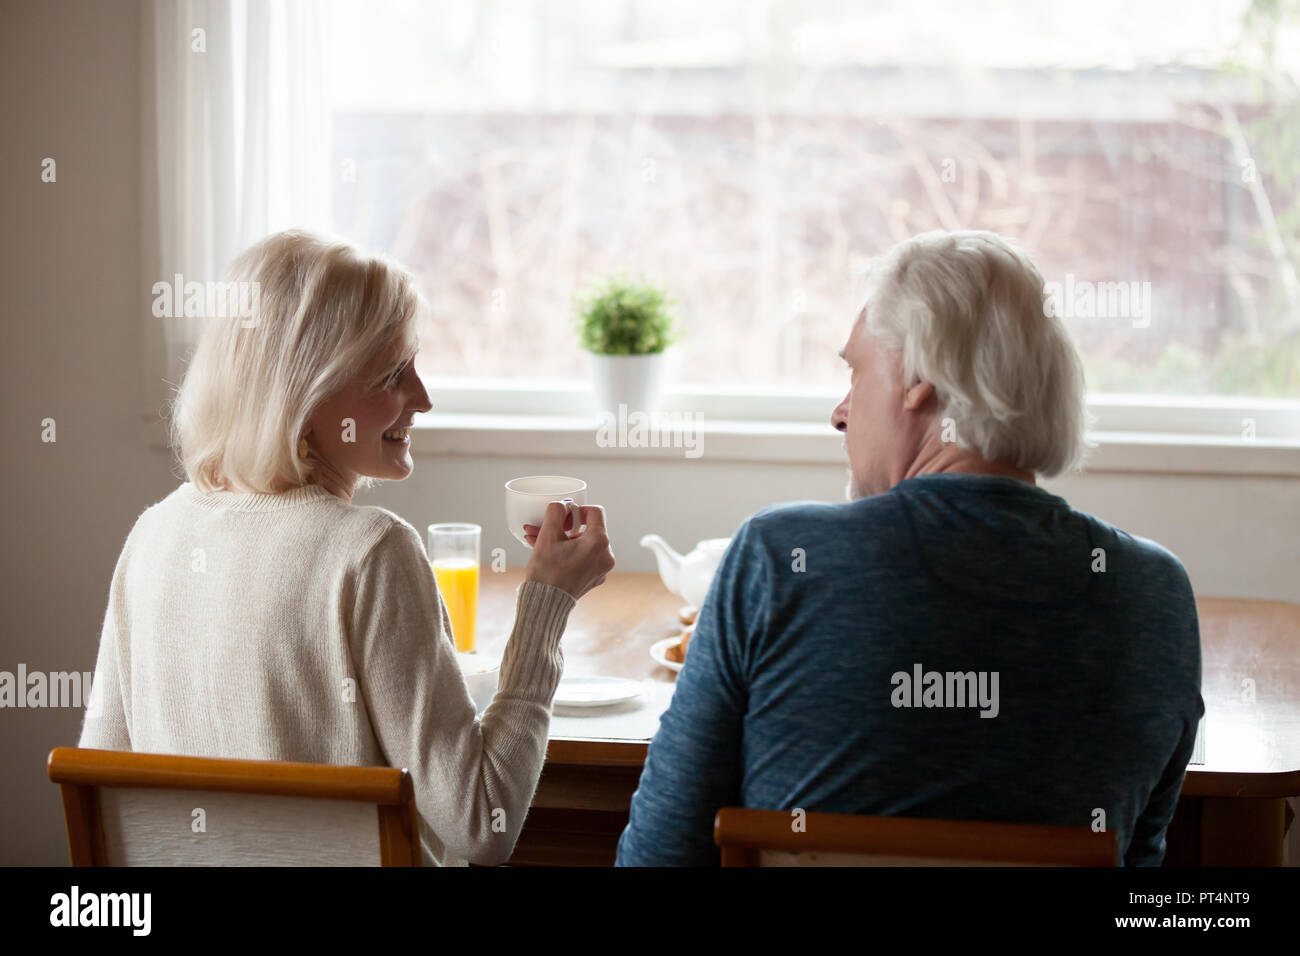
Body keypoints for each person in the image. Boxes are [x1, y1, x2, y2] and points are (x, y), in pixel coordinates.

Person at [615, 230, 1203, 867]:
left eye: (855, 371)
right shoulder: (1156, 595)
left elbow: (659, 856)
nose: (840, 413)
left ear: (920, 378)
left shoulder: (778, 558)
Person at [79, 229, 615, 866]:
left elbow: (103, 791)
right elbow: (481, 824)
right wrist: (545, 607)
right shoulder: (371, 551)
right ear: (306, 395)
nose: (422, 397)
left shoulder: (153, 534)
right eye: (393, 373)